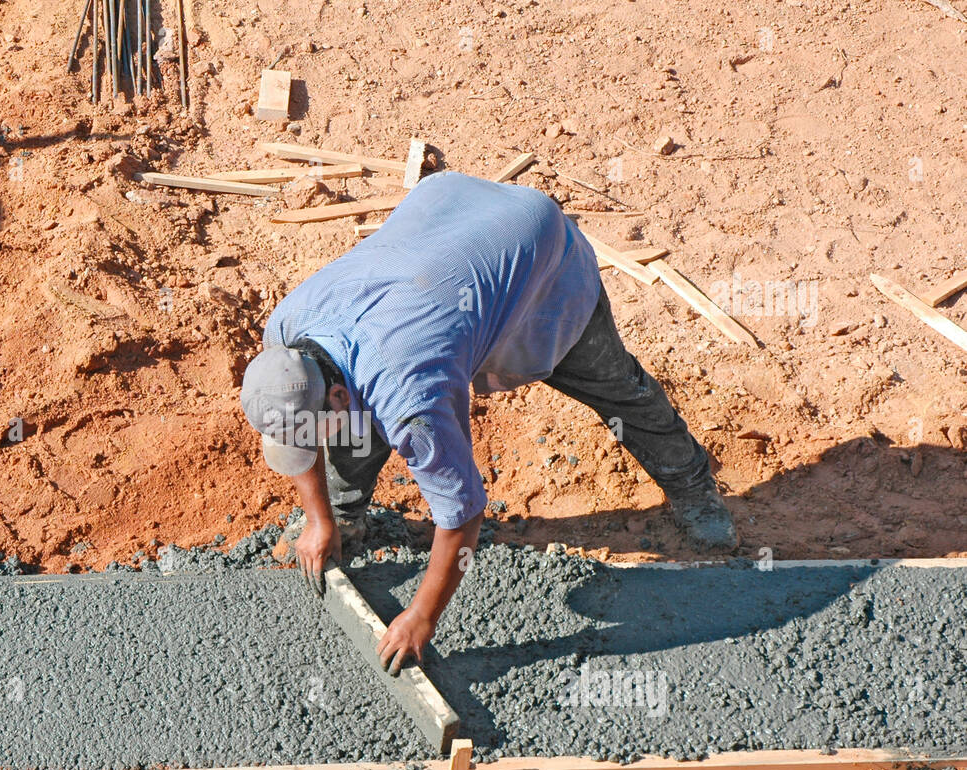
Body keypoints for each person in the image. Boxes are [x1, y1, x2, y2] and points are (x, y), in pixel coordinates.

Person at [239, 171, 735, 674]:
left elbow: (462, 513)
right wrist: (319, 519)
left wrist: (422, 616)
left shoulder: (411, 397)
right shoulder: (287, 331)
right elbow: (304, 430)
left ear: (339, 393)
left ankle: (693, 485)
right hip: (446, 212)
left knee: (615, 387)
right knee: (348, 425)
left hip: (537, 255)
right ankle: (345, 516)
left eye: (313, 428)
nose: (309, 443)